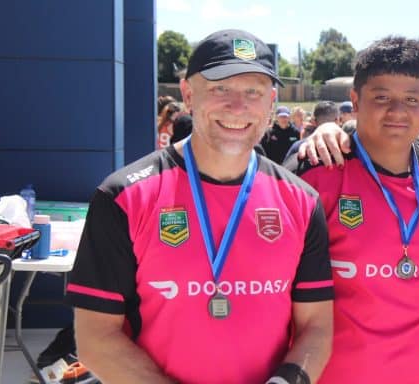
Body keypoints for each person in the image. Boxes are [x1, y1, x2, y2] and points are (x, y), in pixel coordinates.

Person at [67, 29, 333, 384]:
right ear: (189, 94)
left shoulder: (301, 201)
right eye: (220, 89)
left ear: (271, 101)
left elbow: (317, 326)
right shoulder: (124, 197)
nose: (238, 106)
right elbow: (96, 338)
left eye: (253, 92)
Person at [286, 35, 419, 383]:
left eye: (412, 99)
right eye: (382, 97)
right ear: (356, 100)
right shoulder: (313, 174)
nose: (398, 111)